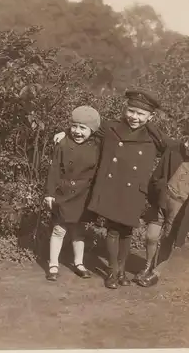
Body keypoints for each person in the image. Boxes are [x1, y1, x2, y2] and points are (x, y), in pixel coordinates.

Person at [54, 89, 171, 289]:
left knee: (127, 231)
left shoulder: (154, 137)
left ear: (150, 116)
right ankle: (112, 271)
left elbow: (172, 148)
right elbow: (85, 128)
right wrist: (65, 131)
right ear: (125, 110)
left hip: (134, 191)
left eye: (141, 114)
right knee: (113, 230)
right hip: (112, 187)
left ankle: (122, 271)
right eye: (131, 111)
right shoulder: (111, 128)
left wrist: (151, 126)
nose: (134, 117)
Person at [135, 122, 189, 288]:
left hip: (180, 210)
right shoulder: (179, 151)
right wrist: (146, 122)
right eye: (187, 140)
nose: (186, 145)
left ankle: (155, 272)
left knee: (167, 240)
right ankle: (148, 265)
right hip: (163, 200)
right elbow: (162, 138)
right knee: (151, 236)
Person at [44, 105, 102, 282]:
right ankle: (53, 264)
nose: (77, 131)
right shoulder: (62, 143)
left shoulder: (98, 144)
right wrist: (49, 193)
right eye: (74, 126)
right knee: (59, 229)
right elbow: (54, 169)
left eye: (83, 128)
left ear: (92, 130)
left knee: (78, 230)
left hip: (84, 194)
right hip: (64, 192)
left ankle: (79, 263)